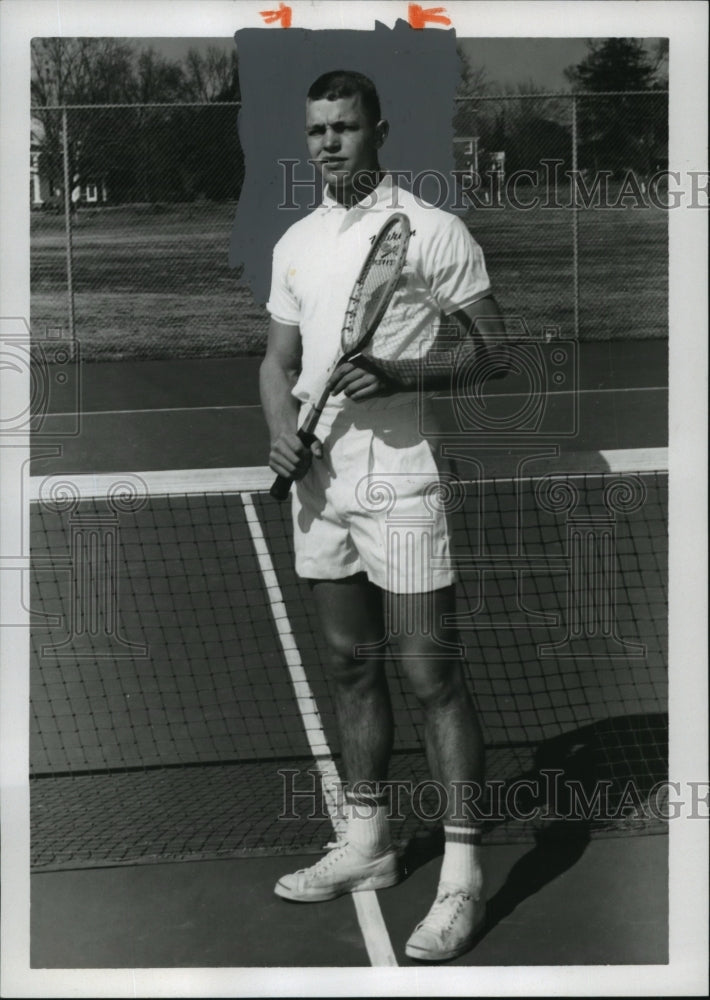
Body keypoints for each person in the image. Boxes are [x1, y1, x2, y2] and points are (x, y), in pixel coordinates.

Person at [260, 69, 509, 963]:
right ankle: (367, 846)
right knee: (348, 665)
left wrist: (409, 375)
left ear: (379, 130)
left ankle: (461, 883)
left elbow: (493, 351)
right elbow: (276, 358)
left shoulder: (433, 231)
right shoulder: (296, 242)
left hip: (400, 477)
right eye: (318, 128)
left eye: (346, 127)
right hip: (322, 485)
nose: (329, 141)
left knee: (429, 674)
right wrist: (282, 429)